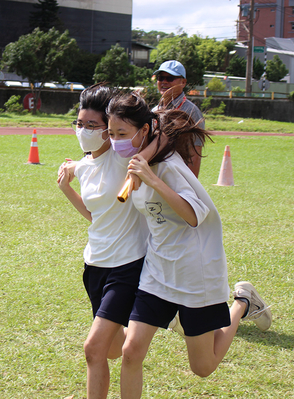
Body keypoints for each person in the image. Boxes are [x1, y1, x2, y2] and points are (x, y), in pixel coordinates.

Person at [105, 92, 272, 399]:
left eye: (122, 134)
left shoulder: (168, 166)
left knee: (203, 367)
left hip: (195, 270)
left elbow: (194, 216)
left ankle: (243, 301)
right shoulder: (136, 161)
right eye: (111, 133)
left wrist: (154, 181)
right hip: (158, 270)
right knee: (131, 352)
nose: (116, 141)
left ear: (143, 131)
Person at [57, 84, 149, 399]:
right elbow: (97, 216)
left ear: (109, 129)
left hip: (127, 266)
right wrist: (67, 186)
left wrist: (137, 100)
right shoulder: (84, 165)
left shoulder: (124, 156)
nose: (83, 130)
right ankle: (157, 319)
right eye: (79, 124)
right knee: (110, 350)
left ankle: (152, 321)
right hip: (94, 266)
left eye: (92, 125)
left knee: (93, 349)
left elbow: (154, 132)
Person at [152, 60, 205, 177]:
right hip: (155, 175)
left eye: (170, 78)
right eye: (160, 78)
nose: (164, 82)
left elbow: (195, 154)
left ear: (183, 82)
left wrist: (191, 188)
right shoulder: (154, 111)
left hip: (178, 177)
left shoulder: (191, 111)